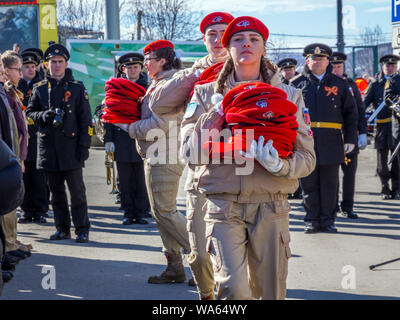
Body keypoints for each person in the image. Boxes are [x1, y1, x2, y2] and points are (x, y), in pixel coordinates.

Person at [183, 16, 315, 300]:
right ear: (227, 48)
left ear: (264, 48)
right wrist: (214, 117)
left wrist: (281, 166)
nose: (246, 44)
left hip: (271, 206)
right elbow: (188, 151)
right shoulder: (206, 94)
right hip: (223, 205)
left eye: (254, 39)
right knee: (234, 290)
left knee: (270, 292)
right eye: (238, 40)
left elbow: (307, 158)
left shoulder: (289, 96)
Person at [116, 40, 198, 285]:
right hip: (157, 153)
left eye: (149, 59)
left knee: (165, 211)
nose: (145, 64)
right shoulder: (160, 83)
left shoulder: (172, 84)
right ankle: (174, 267)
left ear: (162, 60)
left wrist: (128, 127)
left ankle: (204, 259)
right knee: (161, 213)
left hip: (165, 153)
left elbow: (162, 124)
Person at [180, 11, 234, 300]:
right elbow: (161, 103)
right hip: (200, 173)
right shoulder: (192, 74)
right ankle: (206, 296)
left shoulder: (251, 72)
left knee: (233, 259)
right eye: (211, 34)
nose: (217, 40)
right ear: (204, 40)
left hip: (239, 176)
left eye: (223, 33)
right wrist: (194, 76)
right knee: (199, 253)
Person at [26, 44, 93, 243]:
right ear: (46, 64)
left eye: (60, 62)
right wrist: (42, 116)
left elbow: (85, 120)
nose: (56, 65)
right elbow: (28, 115)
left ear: (66, 63)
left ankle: (82, 229)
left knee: (78, 193)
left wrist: (84, 146)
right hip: (48, 149)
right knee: (56, 194)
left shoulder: (77, 88)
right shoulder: (38, 89)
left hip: (71, 149)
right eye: (53, 62)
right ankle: (62, 228)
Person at [291, 43, 358, 233]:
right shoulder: (296, 84)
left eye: (321, 59)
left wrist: (351, 139)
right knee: (309, 184)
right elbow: (287, 115)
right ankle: (311, 220)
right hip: (305, 140)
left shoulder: (340, 84)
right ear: (307, 61)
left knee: (330, 184)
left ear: (328, 61)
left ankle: (328, 220)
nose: (318, 62)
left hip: (332, 140)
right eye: (314, 59)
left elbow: (351, 114)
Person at [103, 56, 149, 225]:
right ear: (123, 69)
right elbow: (108, 113)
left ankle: (142, 211)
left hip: (142, 138)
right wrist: (109, 139)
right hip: (121, 138)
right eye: (129, 67)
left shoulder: (149, 88)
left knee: (141, 178)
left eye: (136, 67)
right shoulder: (115, 88)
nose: (132, 70)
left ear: (141, 68)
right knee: (125, 179)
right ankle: (128, 212)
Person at [330, 52, 367, 219]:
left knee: (349, 174)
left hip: (350, 135)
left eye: (339, 66)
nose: (336, 69)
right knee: (331, 175)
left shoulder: (351, 85)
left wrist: (363, 133)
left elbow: (359, 110)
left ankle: (347, 206)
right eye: (333, 66)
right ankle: (332, 205)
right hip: (331, 137)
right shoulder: (327, 85)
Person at [17, 50, 49, 223]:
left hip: (37, 134)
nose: (30, 69)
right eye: (26, 66)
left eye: (32, 66)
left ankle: (40, 209)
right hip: (22, 137)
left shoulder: (42, 85)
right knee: (24, 175)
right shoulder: (16, 86)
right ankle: (26, 209)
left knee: (39, 176)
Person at [364, 54, 400, 200]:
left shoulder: (398, 81)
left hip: (397, 125)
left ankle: (397, 188)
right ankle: (385, 187)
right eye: (387, 65)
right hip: (382, 125)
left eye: (392, 65)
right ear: (383, 67)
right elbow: (364, 103)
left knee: (397, 158)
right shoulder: (375, 84)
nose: (390, 68)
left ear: (396, 67)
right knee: (382, 159)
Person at [383, 55, 400, 199]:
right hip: (398, 124)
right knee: (397, 160)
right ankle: (397, 188)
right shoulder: (394, 79)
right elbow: (388, 98)